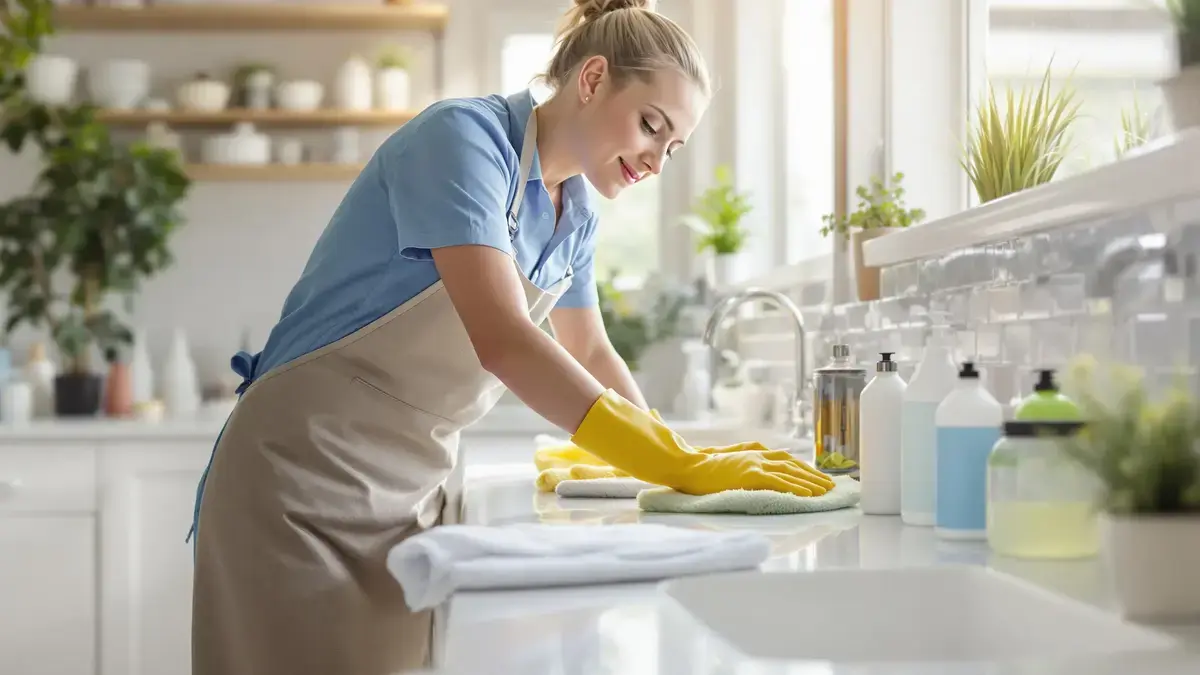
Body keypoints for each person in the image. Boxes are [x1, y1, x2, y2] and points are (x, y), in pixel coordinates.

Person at [189, 0, 835, 673]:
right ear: (591, 80)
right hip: (300, 476)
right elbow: (503, 337)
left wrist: (669, 454)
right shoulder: (462, 142)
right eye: (651, 125)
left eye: (672, 147)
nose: (656, 161)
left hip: (407, 491)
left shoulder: (576, 212)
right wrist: (672, 464)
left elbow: (589, 349)